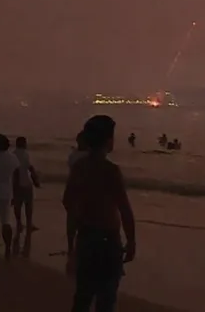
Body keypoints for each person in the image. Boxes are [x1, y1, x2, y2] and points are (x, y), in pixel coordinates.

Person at [63, 115, 136, 312]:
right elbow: (124, 208)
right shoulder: (110, 170)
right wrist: (131, 240)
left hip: (86, 234)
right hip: (108, 238)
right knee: (106, 297)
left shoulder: (79, 167)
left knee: (83, 295)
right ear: (108, 141)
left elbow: (67, 201)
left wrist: (80, 218)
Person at [12, 136, 40, 233]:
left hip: (16, 184)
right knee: (28, 205)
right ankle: (29, 223)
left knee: (17, 205)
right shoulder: (25, 154)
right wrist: (36, 180)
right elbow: (30, 168)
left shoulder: (13, 154)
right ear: (24, 144)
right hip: (26, 182)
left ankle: (19, 223)